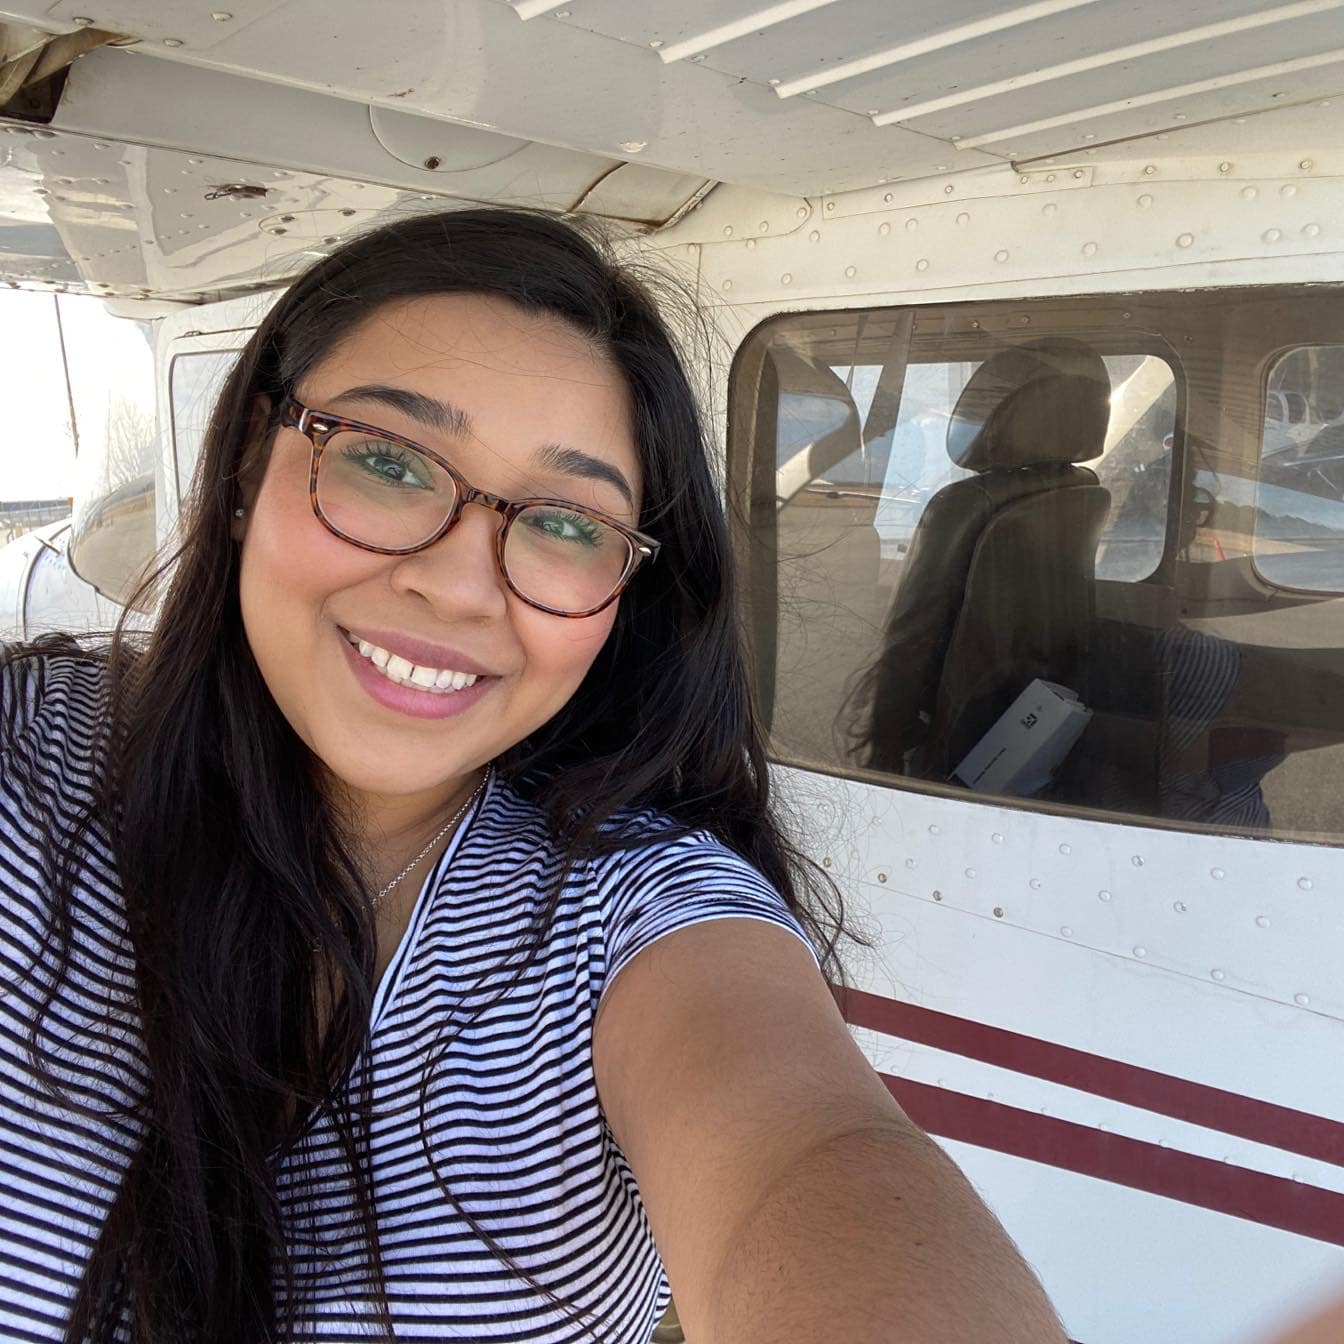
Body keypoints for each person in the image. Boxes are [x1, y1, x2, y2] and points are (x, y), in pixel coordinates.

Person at [0, 209, 1065, 1344]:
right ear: (252, 457)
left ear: (627, 594)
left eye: (565, 522)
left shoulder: (637, 907)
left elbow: (811, 1151)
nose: (460, 587)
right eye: (387, 459)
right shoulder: (25, 749)